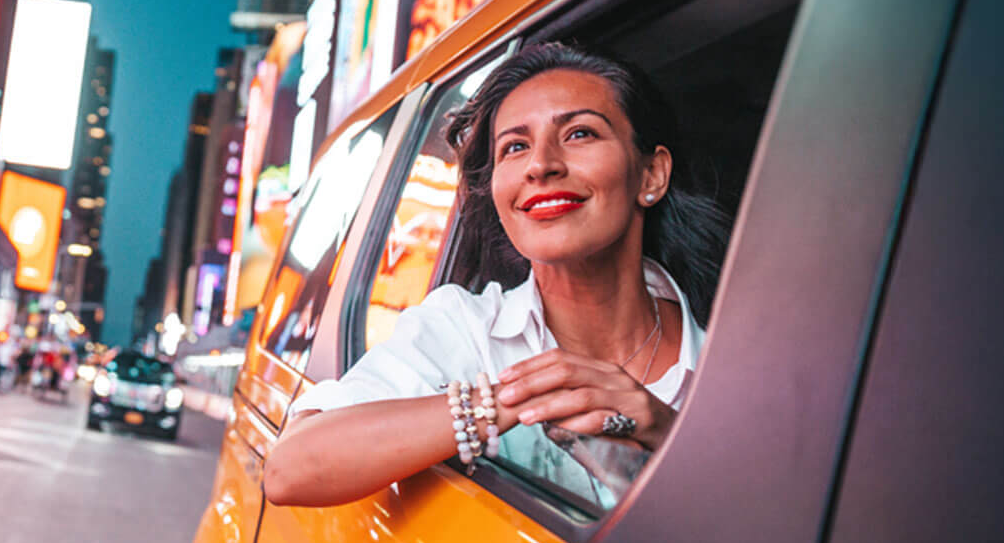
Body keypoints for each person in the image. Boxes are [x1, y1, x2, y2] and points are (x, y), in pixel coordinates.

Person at [264, 43, 728, 511]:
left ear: (651, 175)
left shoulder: (733, 348)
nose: (540, 164)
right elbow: (288, 471)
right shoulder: (464, 328)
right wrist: (504, 403)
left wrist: (663, 429)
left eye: (580, 133)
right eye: (515, 146)